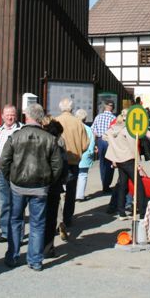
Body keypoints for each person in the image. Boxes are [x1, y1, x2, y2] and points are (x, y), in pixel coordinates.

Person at [0, 103, 63, 272]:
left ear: (27, 117)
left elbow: (4, 161)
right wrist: (48, 181)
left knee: (15, 221)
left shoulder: (16, 136)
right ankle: (35, 260)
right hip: (40, 187)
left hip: (18, 185)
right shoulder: (49, 138)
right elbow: (57, 166)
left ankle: (12, 256)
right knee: (37, 223)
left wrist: (11, 178)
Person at [104, 112, 150, 219]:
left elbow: (105, 137)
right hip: (129, 159)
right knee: (139, 186)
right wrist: (138, 164)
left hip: (119, 160)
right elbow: (136, 144)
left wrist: (114, 154)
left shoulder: (113, 129)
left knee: (122, 185)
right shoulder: (128, 130)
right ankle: (142, 212)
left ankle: (121, 212)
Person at [0, 104, 21, 243]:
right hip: (0, 172)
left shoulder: (21, 130)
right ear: (2, 116)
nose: (10, 117)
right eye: (7, 115)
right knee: (4, 204)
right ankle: (5, 233)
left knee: (17, 205)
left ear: (16, 115)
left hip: (15, 172)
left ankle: (17, 234)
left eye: (12, 114)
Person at [53, 97, 89, 231]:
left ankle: (58, 218)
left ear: (60, 108)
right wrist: (78, 150)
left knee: (56, 189)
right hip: (73, 160)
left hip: (57, 161)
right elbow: (85, 144)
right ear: (72, 108)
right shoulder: (78, 123)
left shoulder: (55, 121)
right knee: (71, 190)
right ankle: (68, 218)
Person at [42, 119, 68, 257]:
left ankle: (35, 248)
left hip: (38, 184)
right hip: (53, 185)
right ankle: (47, 248)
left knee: (38, 218)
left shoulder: (40, 141)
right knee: (51, 218)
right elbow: (62, 166)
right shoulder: (58, 145)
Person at [91, 100, 116, 193]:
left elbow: (93, 130)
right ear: (112, 108)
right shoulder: (114, 118)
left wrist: (95, 144)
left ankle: (104, 183)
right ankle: (107, 184)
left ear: (105, 107)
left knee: (102, 163)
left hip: (101, 140)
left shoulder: (98, 117)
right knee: (110, 163)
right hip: (110, 141)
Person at [74, 109, 95, 202]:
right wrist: (90, 152)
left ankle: (71, 194)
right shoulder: (88, 129)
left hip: (74, 154)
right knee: (83, 175)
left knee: (72, 175)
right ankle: (80, 195)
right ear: (85, 118)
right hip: (85, 154)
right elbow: (92, 142)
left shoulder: (73, 127)